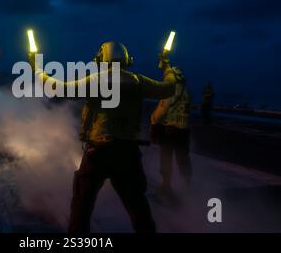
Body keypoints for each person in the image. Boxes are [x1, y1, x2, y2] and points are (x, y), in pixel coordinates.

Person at [29, 41, 178, 233]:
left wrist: (37, 68)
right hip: (128, 154)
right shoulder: (138, 81)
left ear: (102, 58)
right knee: (139, 209)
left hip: (98, 152)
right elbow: (169, 88)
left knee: (82, 207)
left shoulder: (96, 81)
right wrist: (166, 65)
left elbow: (58, 88)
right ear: (126, 59)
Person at [150, 67, 192, 192]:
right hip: (184, 130)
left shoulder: (170, 90)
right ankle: (187, 184)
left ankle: (166, 184)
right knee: (183, 157)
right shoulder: (186, 90)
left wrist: (153, 121)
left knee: (166, 157)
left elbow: (162, 110)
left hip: (170, 129)